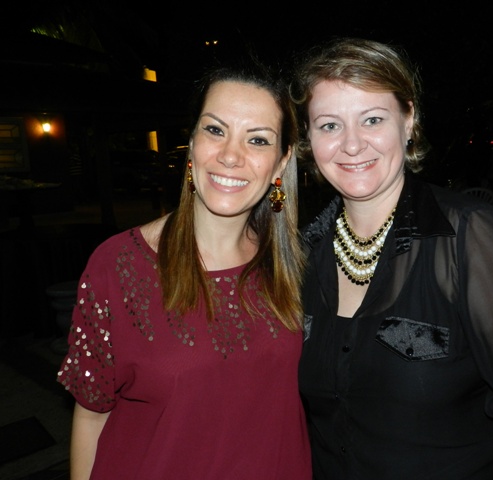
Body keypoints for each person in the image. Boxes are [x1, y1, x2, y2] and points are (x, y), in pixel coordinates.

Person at [291, 37, 493, 479]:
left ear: (409, 121)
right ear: (309, 139)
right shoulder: (302, 253)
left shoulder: (471, 236)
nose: (352, 144)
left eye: (372, 119)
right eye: (329, 125)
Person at [56, 58, 311, 480]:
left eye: (258, 139)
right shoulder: (117, 266)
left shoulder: (296, 267)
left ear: (282, 162)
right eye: (215, 130)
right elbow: (91, 414)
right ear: (191, 143)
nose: (230, 155)